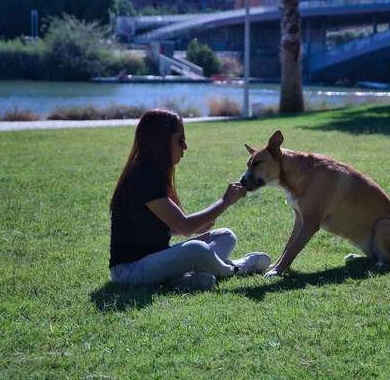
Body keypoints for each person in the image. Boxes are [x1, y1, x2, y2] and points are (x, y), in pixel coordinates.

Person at [109, 108, 270, 291]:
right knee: (197, 249)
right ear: (160, 141)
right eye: (181, 141)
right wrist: (225, 201)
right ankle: (234, 269)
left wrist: (190, 229)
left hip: (154, 260)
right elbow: (186, 226)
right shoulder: (142, 176)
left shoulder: (151, 173)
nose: (185, 147)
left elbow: (150, 229)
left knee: (225, 236)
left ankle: (179, 281)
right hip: (129, 271)